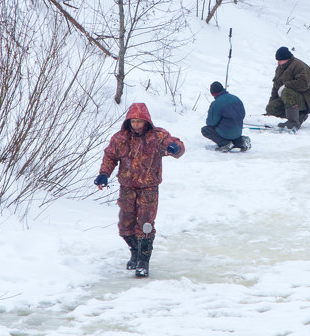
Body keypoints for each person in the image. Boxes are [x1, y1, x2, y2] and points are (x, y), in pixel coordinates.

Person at [94, 103, 185, 278]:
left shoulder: (157, 136)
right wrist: (104, 174)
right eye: (133, 121)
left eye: (139, 121)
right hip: (127, 187)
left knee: (145, 224)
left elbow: (176, 144)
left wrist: (175, 148)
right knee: (125, 225)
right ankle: (135, 252)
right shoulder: (120, 138)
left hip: (149, 188)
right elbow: (110, 157)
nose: (136, 124)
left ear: (146, 121)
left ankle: (143, 261)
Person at [265, 46, 310, 130]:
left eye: (280, 60)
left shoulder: (299, 66)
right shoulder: (279, 68)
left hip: (306, 99)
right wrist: (269, 109)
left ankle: (293, 122)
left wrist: (286, 85)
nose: (278, 63)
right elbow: (275, 88)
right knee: (271, 108)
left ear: (287, 59)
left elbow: (303, 84)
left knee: (286, 92)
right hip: (289, 99)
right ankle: (300, 116)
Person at [202, 81, 250, 152]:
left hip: (226, 133)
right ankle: (241, 141)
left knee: (205, 130)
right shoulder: (236, 98)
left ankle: (226, 144)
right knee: (231, 133)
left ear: (213, 94)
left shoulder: (216, 104)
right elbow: (243, 114)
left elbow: (211, 122)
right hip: (238, 131)